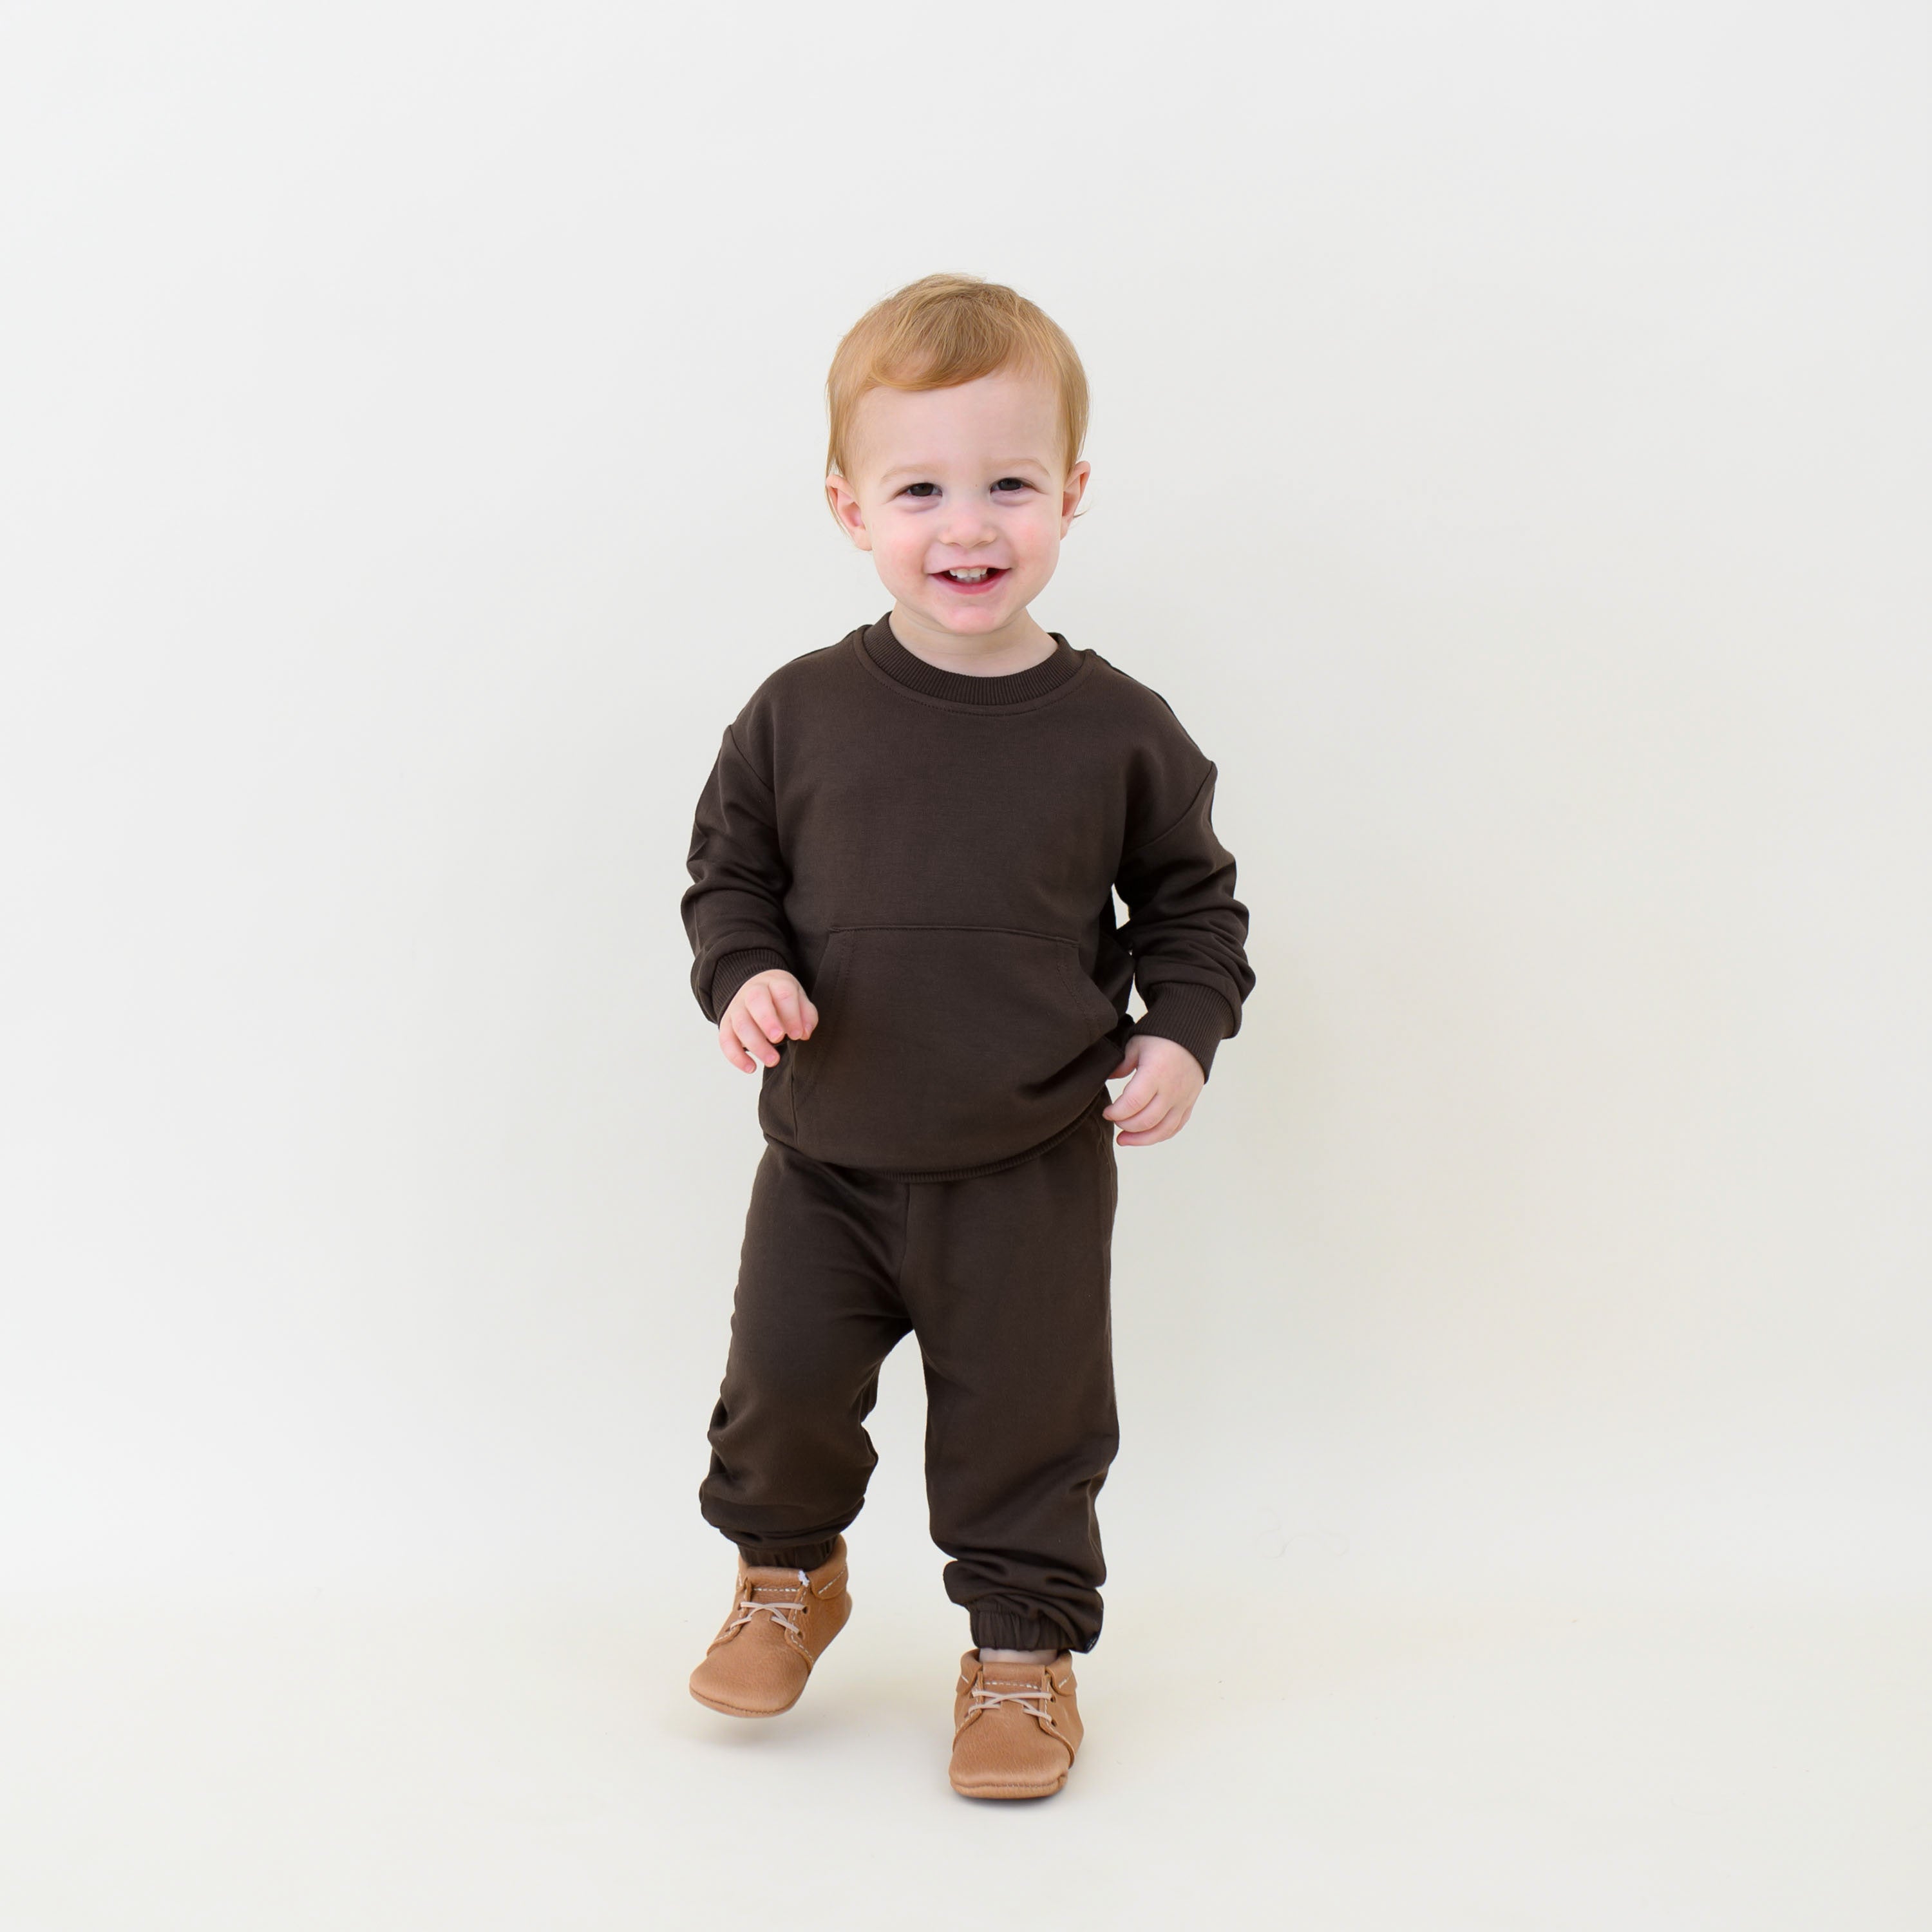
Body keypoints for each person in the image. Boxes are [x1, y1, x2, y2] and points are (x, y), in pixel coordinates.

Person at [678, 272, 1255, 1800]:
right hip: (827, 1163)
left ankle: (1021, 1654)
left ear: (1071, 494)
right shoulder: (797, 715)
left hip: (1028, 1163)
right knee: (783, 1391)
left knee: (1029, 1424)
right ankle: (787, 1574)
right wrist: (744, 975)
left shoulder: (1117, 728)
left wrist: (1181, 1037)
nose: (969, 526)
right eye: (919, 487)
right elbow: (727, 879)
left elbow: (1196, 912)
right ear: (847, 506)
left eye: (1009, 484)